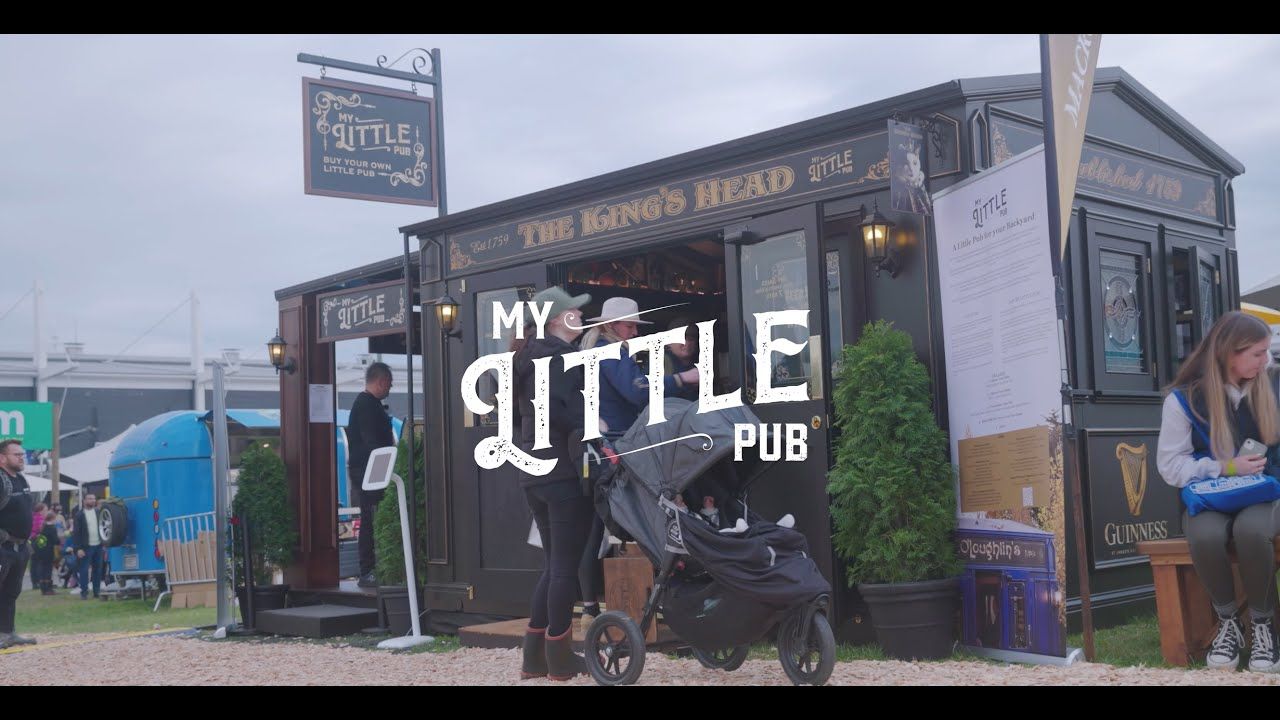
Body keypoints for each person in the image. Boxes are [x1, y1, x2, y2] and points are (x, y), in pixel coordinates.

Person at [1156, 311, 1280, 673]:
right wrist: (1225, 468)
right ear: (1228, 352)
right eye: (1257, 353)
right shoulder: (1183, 401)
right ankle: (1229, 623)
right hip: (1213, 493)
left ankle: (1262, 627)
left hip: (1267, 494)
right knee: (1204, 533)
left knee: (1251, 530)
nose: (1265, 360)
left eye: (1266, 352)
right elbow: (1170, 467)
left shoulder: (1274, 385)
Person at [512, 286, 596, 681]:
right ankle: (560, 659)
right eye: (573, 313)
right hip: (561, 469)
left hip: (532, 470)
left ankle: (534, 659)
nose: (579, 316)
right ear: (555, 320)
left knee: (552, 564)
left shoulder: (525, 358)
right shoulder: (561, 357)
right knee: (565, 566)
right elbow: (568, 411)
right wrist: (593, 426)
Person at [583, 297, 700, 434]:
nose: (635, 332)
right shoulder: (610, 352)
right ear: (611, 325)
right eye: (630, 326)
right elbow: (637, 390)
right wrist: (682, 378)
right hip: (615, 434)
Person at [346, 361, 397, 588]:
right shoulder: (367, 406)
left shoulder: (365, 403)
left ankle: (373, 568)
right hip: (368, 470)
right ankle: (367, 570)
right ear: (382, 381)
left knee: (372, 518)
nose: (390, 389)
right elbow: (371, 441)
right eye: (389, 384)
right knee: (370, 519)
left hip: (369, 468)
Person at [0, 439, 37, 648]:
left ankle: (7, 633)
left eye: (22, 454)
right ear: (2, 458)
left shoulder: (21, 479)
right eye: (17, 455)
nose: (22, 458)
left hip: (21, 548)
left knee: (11, 592)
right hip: (3, 548)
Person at [72, 494, 106, 599]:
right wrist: (78, 548)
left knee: (98, 569)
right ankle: (84, 592)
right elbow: (76, 533)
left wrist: (104, 542)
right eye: (90, 499)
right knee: (84, 570)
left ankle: (96, 592)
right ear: (84, 500)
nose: (93, 500)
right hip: (86, 547)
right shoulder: (79, 515)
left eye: (94, 499)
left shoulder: (98, 512)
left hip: (98, 545)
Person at [32, 512, 58, 595]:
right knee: (48, 569)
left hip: (41, 550)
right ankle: (48, 589)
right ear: (52, 519)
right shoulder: (52, 528)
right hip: (48, 551)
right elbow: (55, 540)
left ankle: (43, 588)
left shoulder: (43, 527)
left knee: (42, 569)